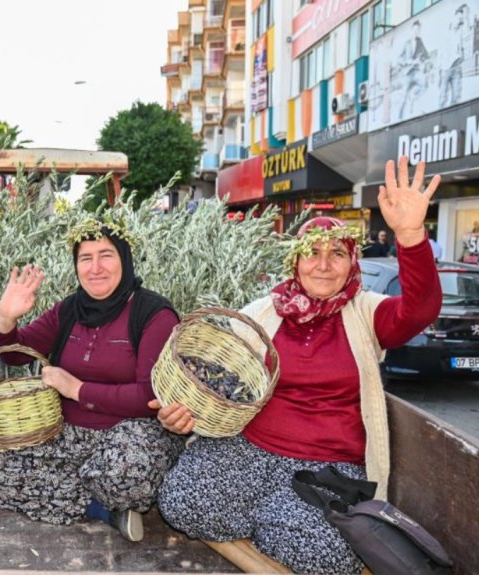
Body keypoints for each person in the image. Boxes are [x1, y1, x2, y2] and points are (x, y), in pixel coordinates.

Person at [154, 157, 443, 574]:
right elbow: (223, 385)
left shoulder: (367, 313)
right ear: (295, 262)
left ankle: (270, 524)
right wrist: (181, 411)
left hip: (327, 467)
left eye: (337, 254)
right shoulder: (263, 312)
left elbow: (420, 310)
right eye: (312, 254)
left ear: (352, 263)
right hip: (251, 449)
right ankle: (267, 532)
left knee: (320, 551)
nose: (323, 265)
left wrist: (411, 235)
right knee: (183, 501)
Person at [0, 218, 182, 541]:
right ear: (76, 265)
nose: (95, 267)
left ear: (124, 258)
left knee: (127, 471)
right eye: (86, 258)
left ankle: (75, 489)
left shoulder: (153, 314)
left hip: (130, 435)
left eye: (106, 255)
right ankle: (101, 508)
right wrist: (6, 318)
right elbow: (16, 355)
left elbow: (149, 397)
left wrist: (75, 388)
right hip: (68, 435)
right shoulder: (69, 309)